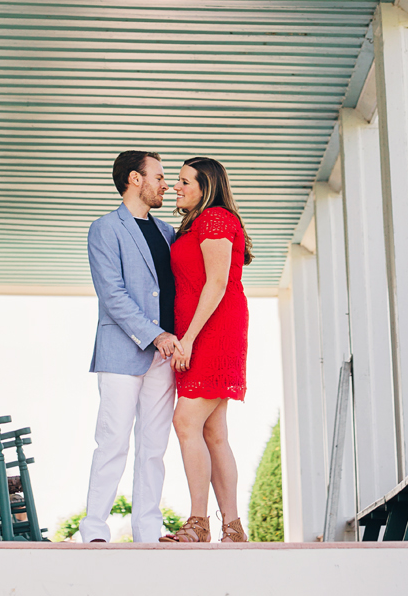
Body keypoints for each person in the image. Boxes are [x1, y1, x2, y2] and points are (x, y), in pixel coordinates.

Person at [80, 150, 184, 544]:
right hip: (123, 352)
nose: (167, 184)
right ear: (134, 180)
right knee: (112, 442)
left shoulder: (167, 232)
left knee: (154, 447)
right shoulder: (105, 229)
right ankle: (93, 531)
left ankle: (148, 531)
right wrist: (156, 335)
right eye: (159, 176)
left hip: (164, 357)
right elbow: (113, 295)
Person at [160, 156, 252, 545]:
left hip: (214, 332)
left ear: (206, 186)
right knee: (213, 432)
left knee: (185, 422)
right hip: (199, 332)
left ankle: (199, 522)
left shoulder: (215, 219)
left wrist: (190, 338)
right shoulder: (195, 223)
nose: (175, 187)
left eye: (183, 181)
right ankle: (232, 528)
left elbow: (215, 283)